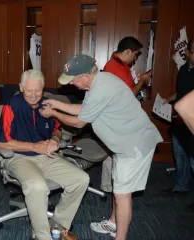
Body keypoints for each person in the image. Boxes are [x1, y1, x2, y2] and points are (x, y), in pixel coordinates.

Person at [39, 55, 163, 240]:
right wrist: (56, 104)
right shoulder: (98, 83)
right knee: (119, 188)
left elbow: (79, 123)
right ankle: (113, 223)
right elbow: (85, 109)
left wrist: (54, 113)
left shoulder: (101, 88)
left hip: (134, 145)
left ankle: (121, 237)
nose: (72, 83)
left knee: (122, 196)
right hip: (125, 143)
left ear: (85, 76)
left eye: (73, 79)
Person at [0, 70, 89, 240]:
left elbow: (57, 130)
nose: (33, 95)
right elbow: (2, 143)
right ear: (21, 88)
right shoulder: (12, 105)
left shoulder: (46, 104)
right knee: (38, 187)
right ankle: (42, 236)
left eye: (37, 91)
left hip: (46, 156)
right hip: (18, 157)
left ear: (43, 88)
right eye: (29, 90)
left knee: (81, 179)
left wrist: (54, 139)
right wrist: (34, 146)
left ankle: (57, 225)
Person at [100, 38, 151, 193]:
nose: (136, 58)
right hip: (117, 118)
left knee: (113, 153)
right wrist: (142, 82)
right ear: (128, 51)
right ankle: (116, 186)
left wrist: (137, 79)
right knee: (119, 153)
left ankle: (110, 185)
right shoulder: (116, 67)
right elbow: (129, 94)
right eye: (135, 54)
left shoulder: (119, 65)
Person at [158, 40, 194, 200]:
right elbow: (180, 92)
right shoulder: (182, 70)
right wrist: (168, 99)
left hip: (191, 120)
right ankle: (181, 186)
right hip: (178, 121)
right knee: (180, 155)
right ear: (187, 53)